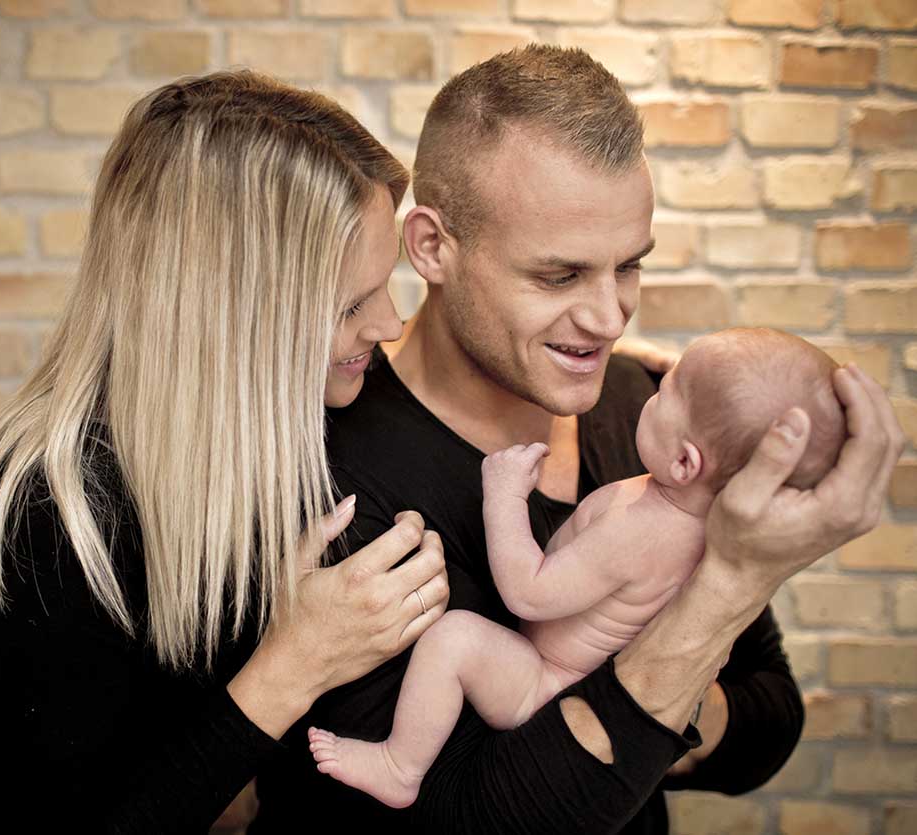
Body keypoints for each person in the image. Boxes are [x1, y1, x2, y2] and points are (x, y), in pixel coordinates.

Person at [254, 46, 904, 833]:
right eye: (560, 276)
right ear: (430, 247)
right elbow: (463, 819)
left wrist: (627, 705)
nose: (608, 317)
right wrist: (716, 601)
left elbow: (770, 719)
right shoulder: (329, 472)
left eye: (628, 265)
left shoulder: (647, 405)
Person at [0, 70, 451, 832]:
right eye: (349, 304)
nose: (390, 322)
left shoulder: (298, 427)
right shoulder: (44, 521)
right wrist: (294, 663)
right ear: (236, 314)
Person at [306, 328, 847, 809]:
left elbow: (528, 594)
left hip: (552, 688)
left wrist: (503, 495)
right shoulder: (698, 523)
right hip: (589, 700)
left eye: (665, 396)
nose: (646, 391)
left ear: (685, 463)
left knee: (453, 640)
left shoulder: (643, 531)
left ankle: (401, 765)